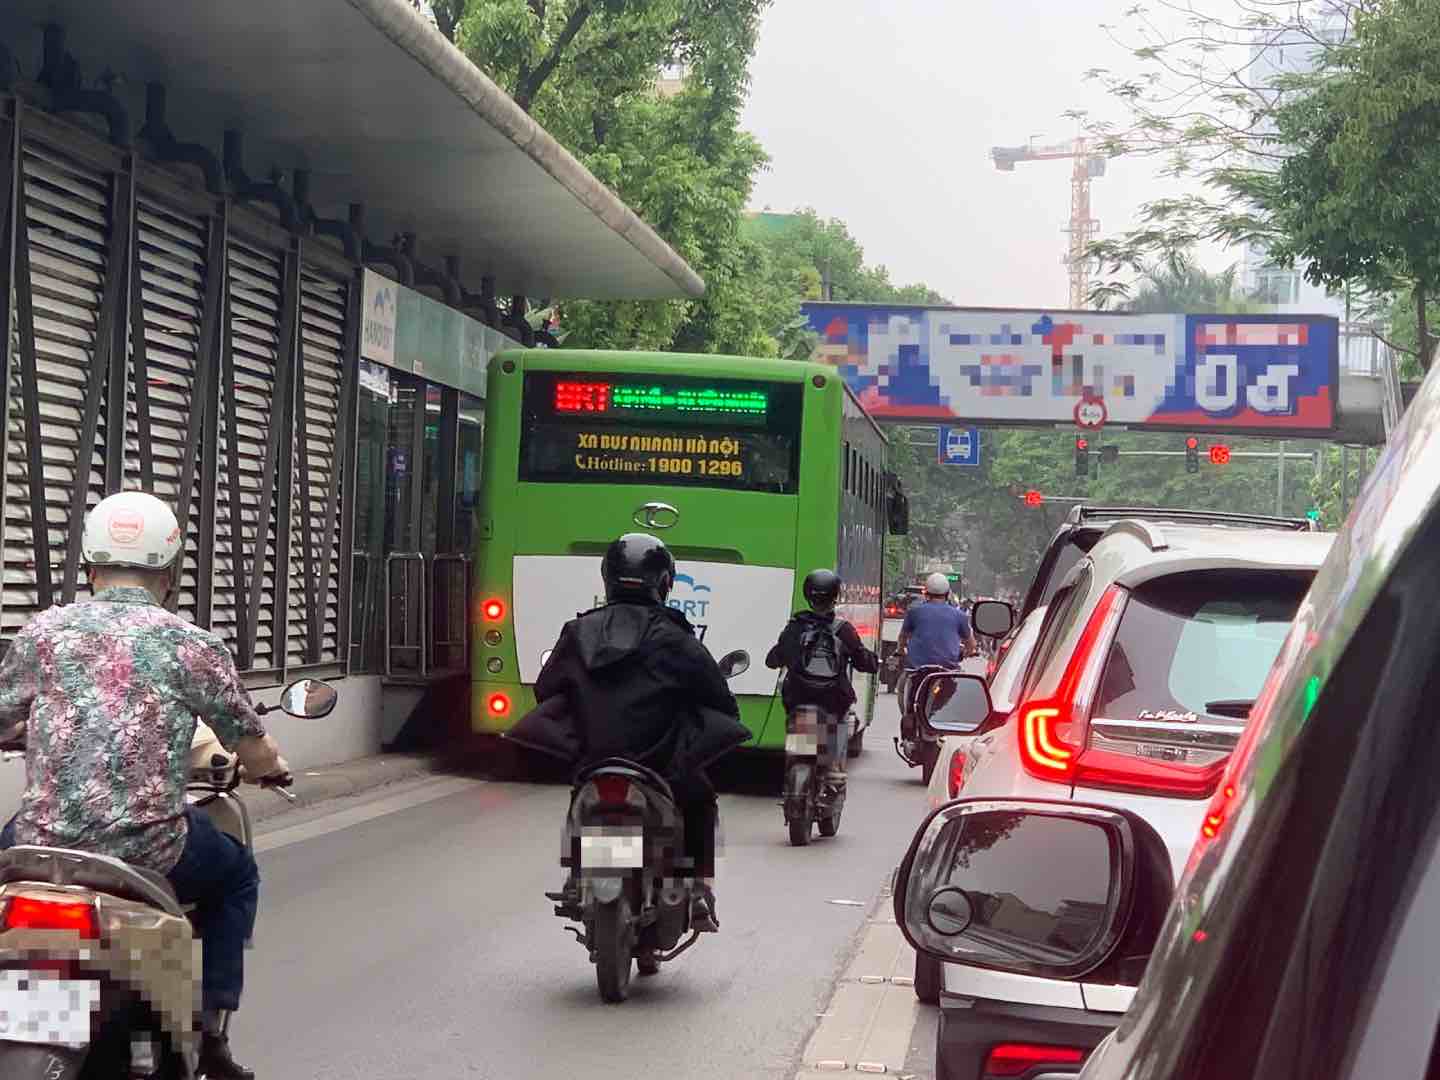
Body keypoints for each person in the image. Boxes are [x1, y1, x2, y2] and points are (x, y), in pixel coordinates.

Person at [0, 491, 291, 1080]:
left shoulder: (43, 632)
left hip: (43, 842)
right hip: (149, 850)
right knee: (237, 875)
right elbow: (246, 737)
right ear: (170, 572)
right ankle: (211, 1031)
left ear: (89, 567)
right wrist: (271, 770)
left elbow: (5, 716)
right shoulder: (191, 645)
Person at [508, 533, 748, 932]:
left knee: (579, 792)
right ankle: (700, 888)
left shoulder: (578, 631)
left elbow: (547, 690)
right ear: (665, 582)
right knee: (701, 800)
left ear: (608, 578)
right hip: (661, 766)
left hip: (595, 762)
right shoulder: (677, 637)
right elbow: (720, 701)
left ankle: (576, 876)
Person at [765, 569, 878, 788]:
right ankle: (835, 768)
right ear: (835, 596)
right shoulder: (843, 630)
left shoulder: (795, 627)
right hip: (833, 702)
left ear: (807, 594)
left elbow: (773, 660)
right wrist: (873, 661)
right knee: (843, 718)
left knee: (794, 724)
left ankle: (794, 766)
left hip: (798, 699)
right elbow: (865, 662)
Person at [896, 572, 978, 709]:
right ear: (947, 594)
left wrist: (900, 651)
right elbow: (971, 645)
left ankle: (908, 714)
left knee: (902, 687)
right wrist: (964, 654)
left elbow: (902, 637)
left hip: (917, 671)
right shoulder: (959, 615)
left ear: (926, 593)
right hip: (947, 672)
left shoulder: (914, 612)